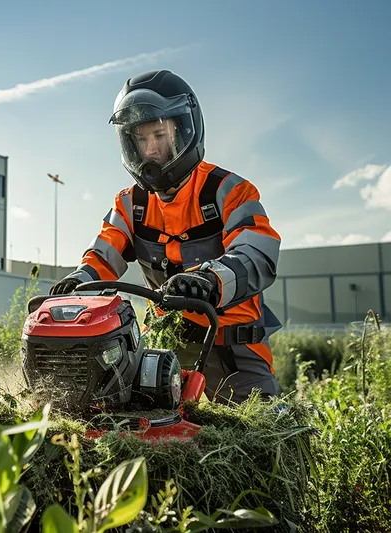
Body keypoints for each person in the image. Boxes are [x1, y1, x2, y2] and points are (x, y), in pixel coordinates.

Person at [50, 69, 283, 404]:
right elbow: (103, 253)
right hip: (166, 345)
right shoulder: (130, 203)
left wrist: (210, 280)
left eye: (159, 135)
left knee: (260, 436)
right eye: (140, 140)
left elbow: (257, 254)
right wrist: (78, 280)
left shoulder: (229, 190)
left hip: (235, 348)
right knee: (139, 426)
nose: (151, 150)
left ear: (185, 129)